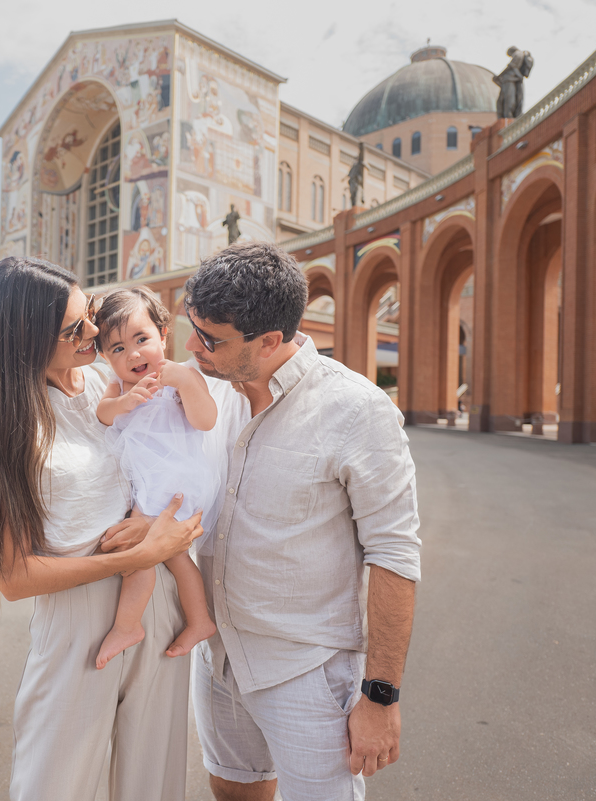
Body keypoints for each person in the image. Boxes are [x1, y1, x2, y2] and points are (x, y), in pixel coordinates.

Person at [0, 257, 204, 801]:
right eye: (74, 329)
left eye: (88, 313)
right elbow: (15, 578)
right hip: (77, 618)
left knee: (154, 784)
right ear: (25, 340)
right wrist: (132, 557)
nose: (94, 331)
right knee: (55, 786)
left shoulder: (106, 380)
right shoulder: (8, 422)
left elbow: (186, 455)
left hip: (158, 601)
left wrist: (150, 528)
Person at [182, 241, 422, 801]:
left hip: (305, 669)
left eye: (211, 339)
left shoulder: (357, 410)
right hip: (217, 654)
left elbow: (395, 555)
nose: (193, 347)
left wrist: (381, 697)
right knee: (233, 788)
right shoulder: (206, 396)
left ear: (270, 341)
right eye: (193, 328)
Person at [93, 287, 220, 670]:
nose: (133, 354)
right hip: (147, 484)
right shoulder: (118, 387)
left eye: (141, 339)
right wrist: (124, 402)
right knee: (178, 559)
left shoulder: (181, 376)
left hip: (174, 483)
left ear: (163, 334)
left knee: (138, 555)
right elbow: (103, 414)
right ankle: (200, 621)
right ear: (105, 356)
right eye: (117, 348)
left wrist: (185, 383)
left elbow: (205, 420)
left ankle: (127, 626)